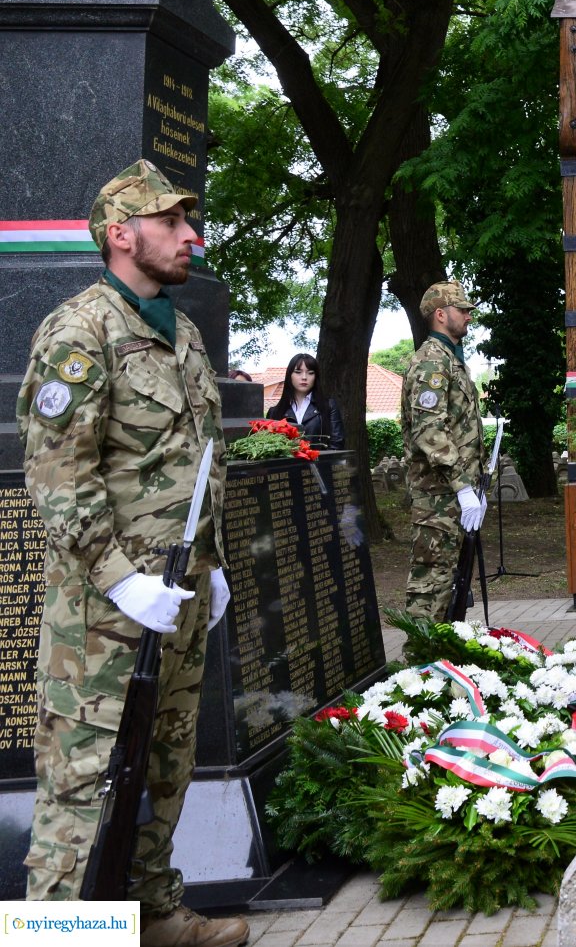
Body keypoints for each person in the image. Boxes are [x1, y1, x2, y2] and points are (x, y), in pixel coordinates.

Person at [17, 160, 247, 945]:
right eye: (171, 222)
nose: (191, 236)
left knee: (164, 763)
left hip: (178, 593)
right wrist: (120, 582)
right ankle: (63, 935)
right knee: (83, 783)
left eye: (188, 221)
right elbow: (59, 476)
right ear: (122, 234)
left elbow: (196, 461)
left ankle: (150, 914)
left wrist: (212, 565)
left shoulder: (181, 331)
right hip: (104, 616)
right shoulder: (79, 332)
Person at [400, 281, 487, 621]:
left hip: (452, 497)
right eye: (461, 310)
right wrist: (463, 487)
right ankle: (420, 654)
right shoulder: (432, 363)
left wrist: (474, 487)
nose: (468, 316)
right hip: (437, 497)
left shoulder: (450, 359)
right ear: (440, 314)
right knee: (432, 586)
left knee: (451, 586)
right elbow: (429, 431)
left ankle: (442, 650)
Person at [265, 352, 346, 449]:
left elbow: (337, 444)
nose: (304, 377)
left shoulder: (329, 406)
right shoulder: (274, 412)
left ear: (316, 377)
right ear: (289, 375)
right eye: (298, 372)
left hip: (320, 458)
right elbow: (269, 446)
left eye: (310, 373)